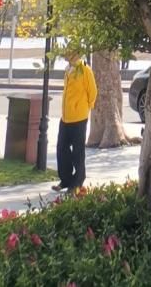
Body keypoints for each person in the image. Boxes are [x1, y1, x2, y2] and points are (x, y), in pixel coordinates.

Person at [56, 47, 98, 193]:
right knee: (62, 148)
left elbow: (92, 91)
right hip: (65, 117)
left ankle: (77, 182)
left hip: (79, 117)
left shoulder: (84, 69)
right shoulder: (67, 69)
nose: (65, 55)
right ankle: (65, 179)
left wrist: (86, 107)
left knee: (78, 151)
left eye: (68, 52)